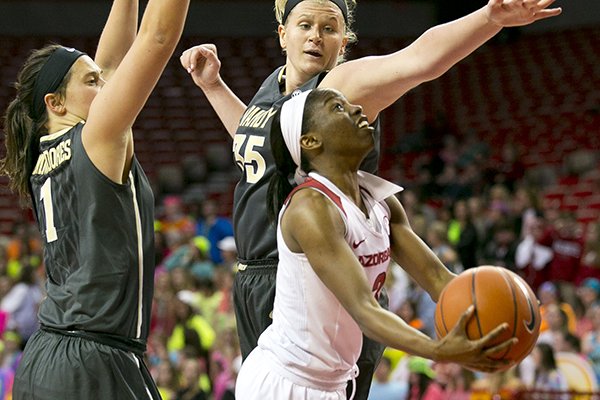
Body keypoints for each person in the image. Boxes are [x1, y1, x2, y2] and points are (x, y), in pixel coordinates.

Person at [180, 1, 561, 397]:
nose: (315, 35)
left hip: (305, 278)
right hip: (253, 278)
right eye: (305, 25)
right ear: (282, 34)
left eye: (329, 28)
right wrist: (213, 87)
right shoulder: (274, 92)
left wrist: (488, 18)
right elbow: (264, 148)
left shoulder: (339, 89)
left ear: (344, 41)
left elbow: (419, 60)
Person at [235, 89, 516, 399]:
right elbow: (365, 310)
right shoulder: (310, 207)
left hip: (331, 384)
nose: (357, 109)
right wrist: (438, 350)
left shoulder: (381, 202)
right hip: (285, 383)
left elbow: (440, 280)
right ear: (310, 141)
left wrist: (505, 311)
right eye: (338, 107)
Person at [0, 0, 190, 397]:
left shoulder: (40, 153)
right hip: (94, 361)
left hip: (45, 356)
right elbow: (157, 36)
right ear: (56, 103)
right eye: (92, 82)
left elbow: (112, 64)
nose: (105, 86)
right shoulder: (97, 137)